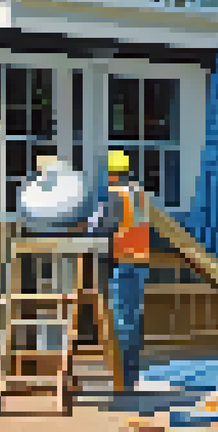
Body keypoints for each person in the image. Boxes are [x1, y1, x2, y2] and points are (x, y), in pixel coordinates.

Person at [88, 150, 150, 393]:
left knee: (122, 322)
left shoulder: (117, 196)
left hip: (123, 263)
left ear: (111, 174)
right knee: (132, 321)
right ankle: (131, 376)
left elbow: (101, 227)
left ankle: (123, 379)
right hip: (138, 262)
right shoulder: (138, 193)